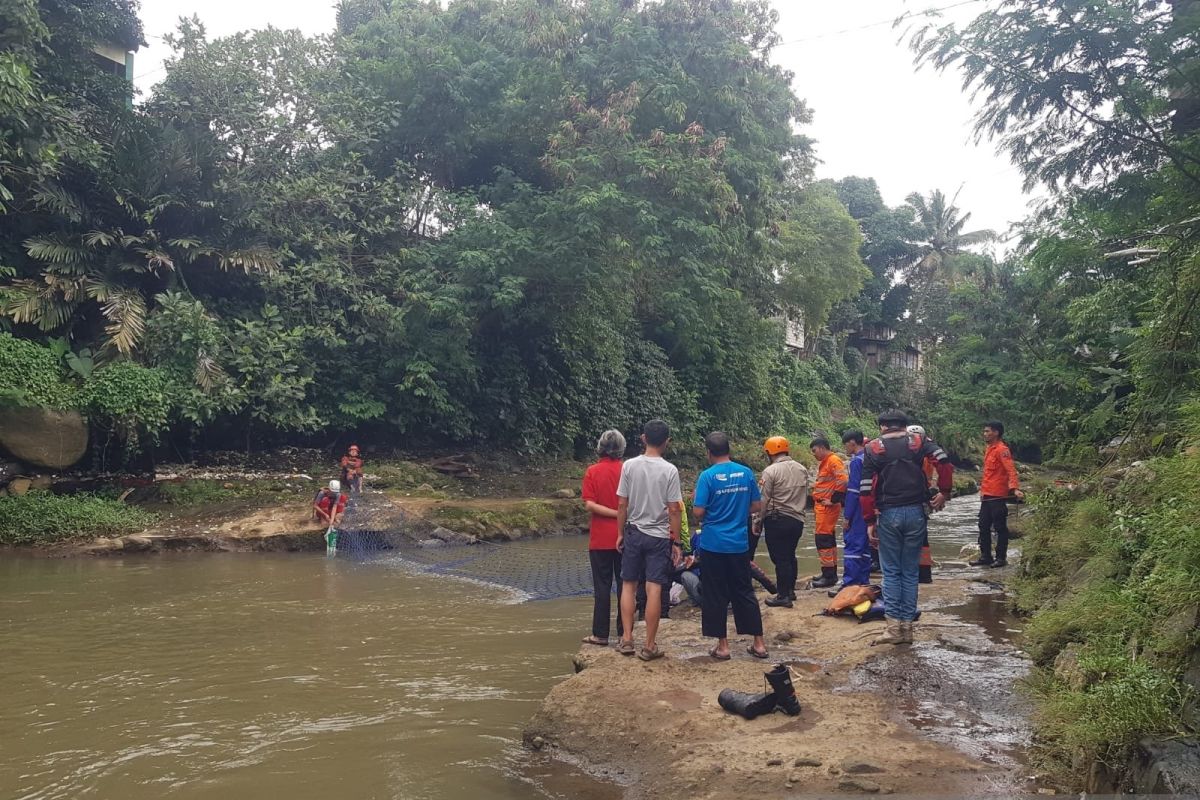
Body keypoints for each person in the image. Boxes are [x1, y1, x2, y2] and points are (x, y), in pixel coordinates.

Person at [859, 410, 953, 645]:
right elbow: (944, 461)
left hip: (889, 514)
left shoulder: (872, 448)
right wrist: (945, 491)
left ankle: (893, 629)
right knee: (910, 572)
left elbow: (865, 489)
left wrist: (869, 520)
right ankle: (907, 628)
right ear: (904, 425)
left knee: (891, 571)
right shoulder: (919, 442)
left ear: (883, 426)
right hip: (916, 512)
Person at [693, 431, 769, 661]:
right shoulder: (745, 473)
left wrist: (713, 513)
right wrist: (736, 514)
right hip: (738, 543)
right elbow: (757, 505)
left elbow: (698, 512)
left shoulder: (707, 476)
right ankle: (759, 644)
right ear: (729, 450)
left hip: (713, 544)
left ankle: (723, 647)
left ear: (709, 452)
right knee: (744, 591)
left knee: (715, 594)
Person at [616, 419, 683, 661]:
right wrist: (675, 542)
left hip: (634, 532)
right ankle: (650, 645)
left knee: (628, 585)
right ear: (667, 442)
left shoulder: (629, 466)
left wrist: (620, 533)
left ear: (643, 438)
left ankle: (626, 639)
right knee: (654, 587)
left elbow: (622, 504)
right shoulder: (670, 470)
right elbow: (674, 509)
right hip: (658, 536)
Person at [581, 429, 626, 646]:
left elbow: (589, 504)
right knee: (626, 585)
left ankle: (600, 635)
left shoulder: (592, 471)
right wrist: (620, 514)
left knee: (602, 587)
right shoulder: (627, 470)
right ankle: (624, 634)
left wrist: (613, 513)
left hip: (599, 539)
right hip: (624, 536)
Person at [756, 435, 810, 608]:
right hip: (797, 520)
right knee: (789, 554)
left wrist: (757, 521)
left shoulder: (771, 471)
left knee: (780, 558)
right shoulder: (801, 469)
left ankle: (783, 595)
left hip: (777, 519)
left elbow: (763, 500)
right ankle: (791, 590)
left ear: (769, 452)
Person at [970, 420, 1024, 568]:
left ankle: (1001, 558)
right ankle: (986, 556)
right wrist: (982, 492)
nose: (985, 434)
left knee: (1000, 527)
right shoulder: (989, 449)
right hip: (987, 495)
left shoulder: (1002, 450)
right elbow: (987, 474)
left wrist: (1014, 489)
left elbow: (1011, 470)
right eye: (985, 431)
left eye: (987, 431)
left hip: (998, 495)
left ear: (996, 433)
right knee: (983, 525)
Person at [809, 437, 848, 589]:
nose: (813, 454)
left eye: (814, 451)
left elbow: (843, 480)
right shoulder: (826, 462)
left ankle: (828, 575)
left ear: (821, 447)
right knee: (828, 539)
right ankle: (829, 572)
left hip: (827, 507)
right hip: (823, 507)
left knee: (823, 539)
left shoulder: (833, 460)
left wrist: (834, 499)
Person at [840, 430, 872, 588]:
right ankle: (863, 582)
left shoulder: (856, 461)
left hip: (858, 508)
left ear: (852, 443)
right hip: (870, 506)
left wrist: (847, 516)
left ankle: (850, 584)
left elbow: (853, 491)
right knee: (865, 546)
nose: (845, 448)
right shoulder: (870, 458)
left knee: (853, 544)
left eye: (845, 444)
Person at [906, 424, 936, 584]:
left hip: (916, 497)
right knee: (922, 536)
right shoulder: (927, 450)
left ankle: (919, 573)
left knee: (916, 536)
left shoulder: (920, 453)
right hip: (922, 497)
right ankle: (924, 573)